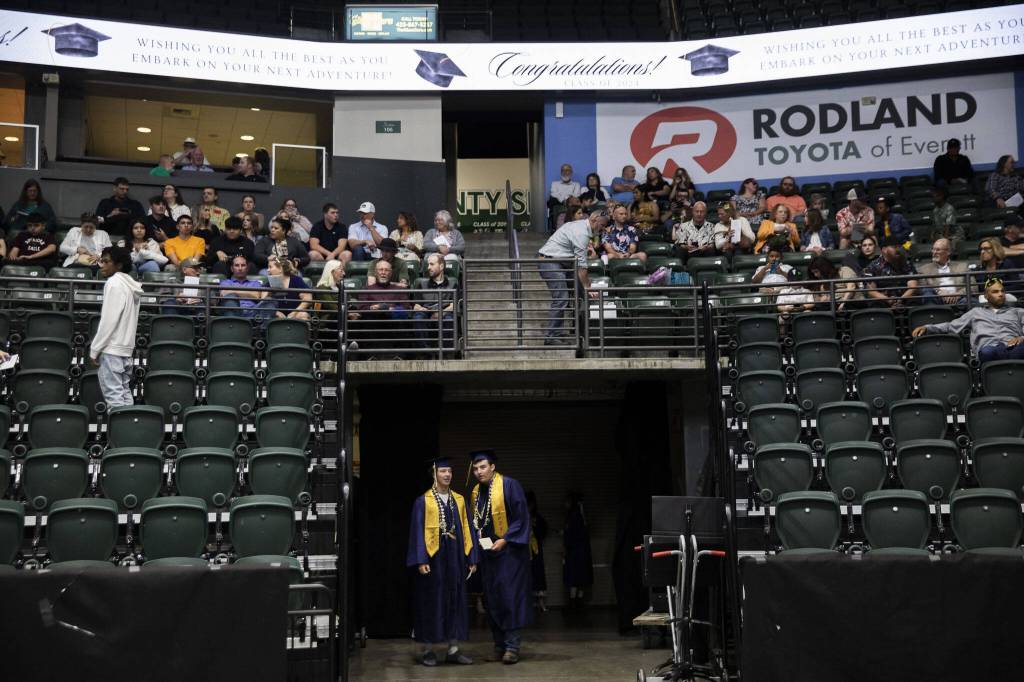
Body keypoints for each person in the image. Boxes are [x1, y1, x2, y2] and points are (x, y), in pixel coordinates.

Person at [407, 457, 478, 667]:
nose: (447, 475)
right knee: (432, 601)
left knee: (455, 600)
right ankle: (428, 650)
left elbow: (468, 529)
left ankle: (453, 649)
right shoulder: (423, 501)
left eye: (449, 471)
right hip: (434, 558)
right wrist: (421, 559)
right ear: (434, 474)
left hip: (455, 555)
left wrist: (471, 557)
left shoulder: (459, 500)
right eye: (442, 471)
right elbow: (417, 532)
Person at [469, 450, 531, 664]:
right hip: (488, 555)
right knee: (491, 600)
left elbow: (521, 517)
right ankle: (498, 646)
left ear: (492, 466)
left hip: (509, 553)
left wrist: (505, 539)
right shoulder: (476, 492)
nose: (478, 472)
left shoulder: (509, 485)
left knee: (509, 598)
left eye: (483, 467)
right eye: (475, 468)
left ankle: (512, 647)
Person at [537, 209, 608, 345]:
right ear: (594, 220)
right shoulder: (581, 233)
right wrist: (588, 287)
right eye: (602, 225)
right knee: (562, 297)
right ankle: (551, 337)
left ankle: (580, 332)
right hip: (550, 261)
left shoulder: (582, 227)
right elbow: (582, 268)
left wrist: (585, 288)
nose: (603, 228)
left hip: (563, 261)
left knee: (581, 293)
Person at [913, 277, 1024, 363]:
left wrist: (1022, 338)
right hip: (989, 350)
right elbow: (951, 326)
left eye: (1002, 291)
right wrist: (927, 328)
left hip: (1014, 348)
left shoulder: (1017, 311)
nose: (1000, 294)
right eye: (995, 292)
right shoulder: (976, 313)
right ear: (986, 296)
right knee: (987, 352)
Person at [90, 246, 142, 408]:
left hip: (112, 349)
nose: (102, 266)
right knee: (125, 393)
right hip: (126, 350)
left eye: (106, 262)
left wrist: (95, 349)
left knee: (115, 399)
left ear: (118, 265)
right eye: (101, 261)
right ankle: (130, 430)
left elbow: (109, 320)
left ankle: (122, 432)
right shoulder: (131, 285)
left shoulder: (113, 283)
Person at [412, 253, 456, 349]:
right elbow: (416, 305)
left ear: (441, 266)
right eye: (428, 264)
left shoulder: (453, 284)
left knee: (449, 319)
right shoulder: (421, 284)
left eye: (432, 264)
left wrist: (440, 313)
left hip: (445, 312)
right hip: (426, 313)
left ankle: (446, 352)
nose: (428, 267)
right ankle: (425, 351)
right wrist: (422, 309)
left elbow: (454, 305)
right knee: (418, 317)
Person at [864, 235, 920, 308]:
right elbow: (871, 291)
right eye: (895, 247)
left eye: (899, 246)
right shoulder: (873, 266)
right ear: (884, 249)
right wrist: (888, 300)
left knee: (915, 301)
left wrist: (901, 299)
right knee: (875, 304)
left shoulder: (907, 264)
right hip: (883, 299)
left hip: (905, 298)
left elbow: (913, 286)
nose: (898, 249)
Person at [219, 255, 276, 320]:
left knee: (270, 300)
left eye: (243, 265)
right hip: (235, 312)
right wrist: (249, 293)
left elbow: (257, 295)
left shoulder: (255, 283)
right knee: (230, 298)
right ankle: (233, 325)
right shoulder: (226, 282)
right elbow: (224, 293)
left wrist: (233, 292)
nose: (240, 268)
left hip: (254, 313)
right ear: (232, 269)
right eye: (237, 265)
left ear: (247, 268)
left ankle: (260, 328)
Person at [563, 492, 593, 609]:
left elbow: (570, 535)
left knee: (574, 578)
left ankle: (573, 604)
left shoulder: (573, 517)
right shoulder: (581, 516)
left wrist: (565, 538)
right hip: (583, 552)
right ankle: (579, 603)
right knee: (581, 578)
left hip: (574, 552)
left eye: (567, 501)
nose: (564, 504)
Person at [917, 238, 969, 305]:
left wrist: (958, 294)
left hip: (959, 300)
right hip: (937, 300)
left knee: (969, 301)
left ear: (948, 252)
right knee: (928, 293)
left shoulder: (962, 267)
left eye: (938, 250)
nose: (934, 252)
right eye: (933, 249)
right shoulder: (924, 269)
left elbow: (973, 287)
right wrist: (938, 291)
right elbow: (923, 288)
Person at [267, 256, 312, 321]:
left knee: (303, 315)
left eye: (270, 267)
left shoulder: (296, 280)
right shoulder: (269, 282)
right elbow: (264, 301)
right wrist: (275, 312)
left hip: (295, 313)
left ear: (280, 269)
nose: (268, 270)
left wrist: (293, 313)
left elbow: (308, 299)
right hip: (277, 315)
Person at [525, 491, 548, 612]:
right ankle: (528, 603)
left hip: (535, 550)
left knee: (538, 575)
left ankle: (541, 603)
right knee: (526, 577)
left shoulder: (537, 517)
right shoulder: (521, 516)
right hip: (524, 551)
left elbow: (544, 530)